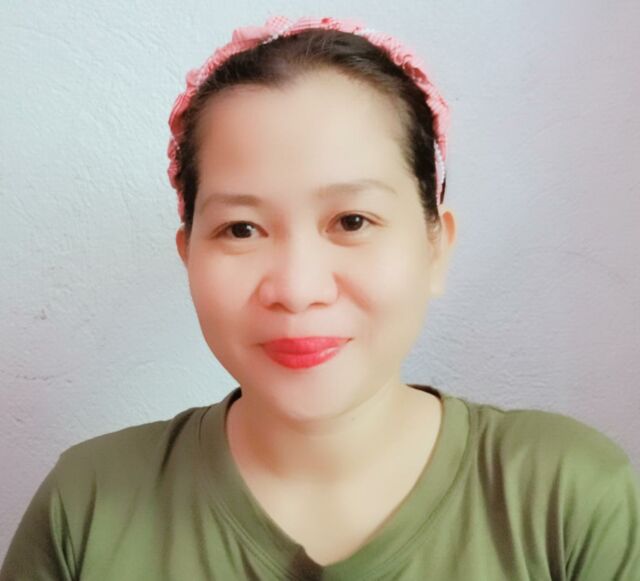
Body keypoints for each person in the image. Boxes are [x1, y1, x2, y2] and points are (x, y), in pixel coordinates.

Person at [2, 14, 639, 581]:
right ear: (188, 254)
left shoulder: (568, 498)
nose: (298, 290)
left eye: (352, 221)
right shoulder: (85, 507)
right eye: (241, 229)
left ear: (435, 247)